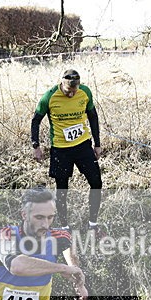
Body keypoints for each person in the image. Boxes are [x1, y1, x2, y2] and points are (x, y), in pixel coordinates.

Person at [31, 69, 103, 236]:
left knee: (96, 182)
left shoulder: (85, 92)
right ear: (62, 84)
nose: (71, 94)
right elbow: (35, 120)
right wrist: (36, 146)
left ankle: (93, 224)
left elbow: (93, 116)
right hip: (61, 149)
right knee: (62, 189)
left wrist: (97, 144)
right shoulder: (49, 97)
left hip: (83, 146)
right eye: (68, 91)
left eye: (74, 90)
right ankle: (64, 227)